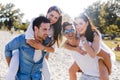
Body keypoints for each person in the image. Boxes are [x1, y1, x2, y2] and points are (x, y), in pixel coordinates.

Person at [6, 6, 62, 80]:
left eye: (56, 18)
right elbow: (28, 40)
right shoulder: (36, 21)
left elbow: (51, 49)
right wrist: (42, 46)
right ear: (47, 13)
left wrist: (43, 48)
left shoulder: (53, 30)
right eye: (51, 15)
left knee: (47, 74)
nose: (52, 19)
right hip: (23, 50)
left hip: (40, 54)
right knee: (12, 72)